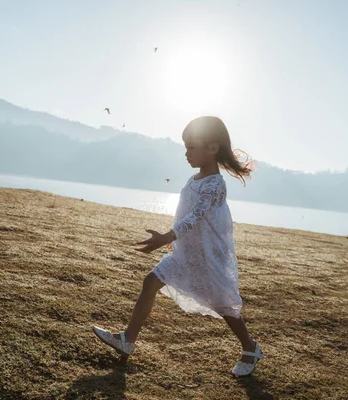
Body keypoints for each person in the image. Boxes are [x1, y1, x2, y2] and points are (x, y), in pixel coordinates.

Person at [93, 116, 263, 377]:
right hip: (186, 252)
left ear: (213, 148)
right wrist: (174, 241)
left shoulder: (215, 184)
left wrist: (166, 237)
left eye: (192, 146)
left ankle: (250, 348)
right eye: (185, 146)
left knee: (222, 305)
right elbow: (184, 215)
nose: (187, 152)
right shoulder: (194, 178)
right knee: (151, 282)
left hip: (207, 257)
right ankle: (127, 340)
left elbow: (195, 217)